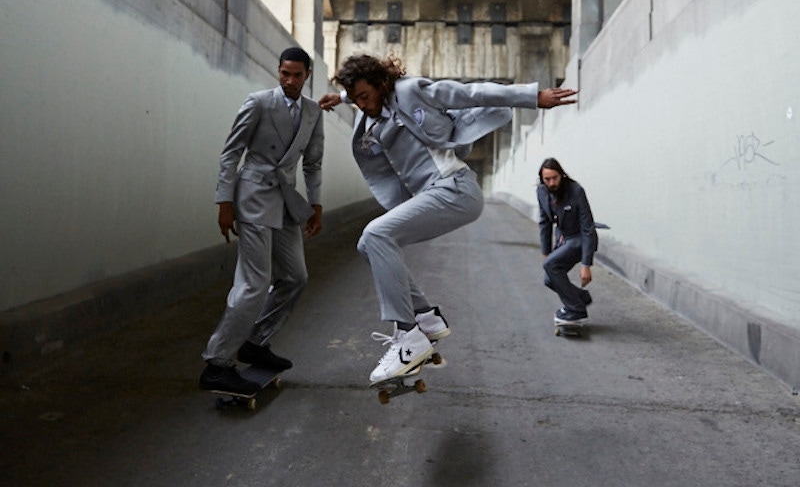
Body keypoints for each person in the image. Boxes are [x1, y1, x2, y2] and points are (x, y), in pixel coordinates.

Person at [319, 54, 576, 384]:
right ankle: (426, 318)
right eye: (355, 100)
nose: (362, 106)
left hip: (455, 187)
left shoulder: (413, 91)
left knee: (375, 235)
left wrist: (531, 97)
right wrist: (342, 97)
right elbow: (363, 96)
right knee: (370, 244)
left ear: (382, 85)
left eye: (364, 97)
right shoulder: (371, 113)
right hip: (433, 194)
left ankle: (408, 336)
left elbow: (471, 94)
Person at [199, 46, 324, 396]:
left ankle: (254, 341)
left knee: (296, 276)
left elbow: (312, 164)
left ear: (306, 75)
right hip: (252, 196)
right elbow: (231, 152)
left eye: (296, 75)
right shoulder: (258, 102)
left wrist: (316, 205)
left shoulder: (313, 112)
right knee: (254, 282)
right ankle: (217, 362)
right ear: (279, 71)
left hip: (286, 201)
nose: (289, 80)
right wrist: (225, 201)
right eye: (284, 73)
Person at [537, 157, 598, 326]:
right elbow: (545, 223)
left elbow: (588, 228)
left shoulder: (576, 190)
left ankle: (576, 309)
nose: (551, 183)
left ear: (561, 175)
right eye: (547, 179)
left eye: (554, 178)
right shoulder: (541, 192)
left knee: (551, 266)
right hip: (564, 239)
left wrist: (586, 265)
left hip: (580, 238)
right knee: (549, 279)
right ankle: (581, 297)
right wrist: (546, 253)